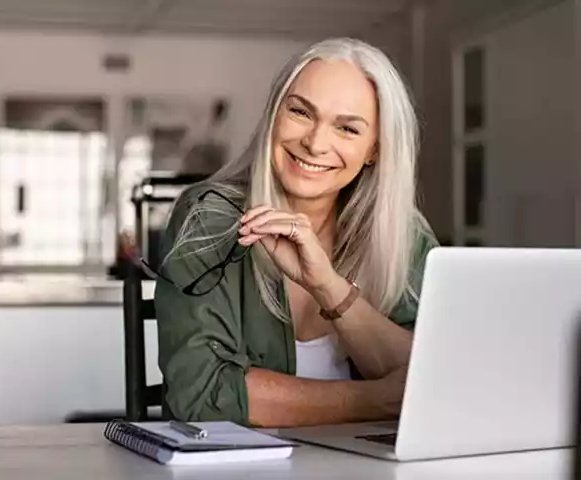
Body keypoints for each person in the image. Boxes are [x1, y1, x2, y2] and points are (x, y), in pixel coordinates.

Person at [148, 37, 439, 428]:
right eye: (301, 112)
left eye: (348, 129)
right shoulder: (209, 217)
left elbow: (435, 380)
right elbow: (202, 394)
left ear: (374, 149)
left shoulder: (403, 233)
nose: (316, 143)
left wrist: (328, 286)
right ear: (274, 115)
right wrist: (376, 400)